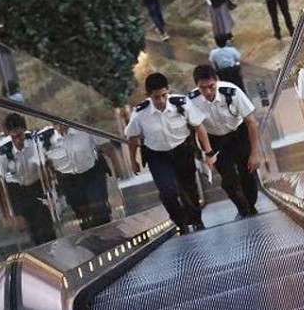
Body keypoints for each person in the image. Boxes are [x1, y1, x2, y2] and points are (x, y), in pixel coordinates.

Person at [124, 73, 215, 234]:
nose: (161, 100)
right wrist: (133, 161)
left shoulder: (181, 103)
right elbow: (132, 137)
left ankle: (196, 220)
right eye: (156, 97)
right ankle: (180, 222)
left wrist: (208, 151)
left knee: (189, 188)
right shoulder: (140, 113)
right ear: (148, 96)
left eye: (164, 95)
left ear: (168, 91)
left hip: (182, 150)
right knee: (167, 191)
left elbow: (199, 127)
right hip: (157, 156)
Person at [188, 65, 261, 218]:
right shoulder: (192, 101)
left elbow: (251, 122)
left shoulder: (232, 92)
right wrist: (206, 153)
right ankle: (242, 208)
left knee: (247, 173)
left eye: (211, 87)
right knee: (228, 179)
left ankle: (251, 205)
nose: (208, 92)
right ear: (196, 86)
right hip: (215, 139)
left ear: (217, 81)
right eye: (203, 88)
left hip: (238, 133)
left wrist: (255, 153)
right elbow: (196, 128)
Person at [0, 113, 56, 245]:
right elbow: (3, 180)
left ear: (24, 131)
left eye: (20, 135)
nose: (18, 140)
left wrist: (49, 194)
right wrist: (8, 211)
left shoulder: (34, 141)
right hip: (17, 190)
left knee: (45, 225)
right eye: (14, 137)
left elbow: (42, 169)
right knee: (31, 230)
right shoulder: (3, 149)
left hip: (35, 184)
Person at [37, 124, 112, 230]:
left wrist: (119, 171)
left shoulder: (83, 128)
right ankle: (93, 243)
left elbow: (106, 146)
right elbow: (43, 166)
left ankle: (109, 236)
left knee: (99, 209)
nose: (59, 125)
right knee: (83, 216)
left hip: (91, 175)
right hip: (68, 181)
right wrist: (48, 190)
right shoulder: (44, 139)